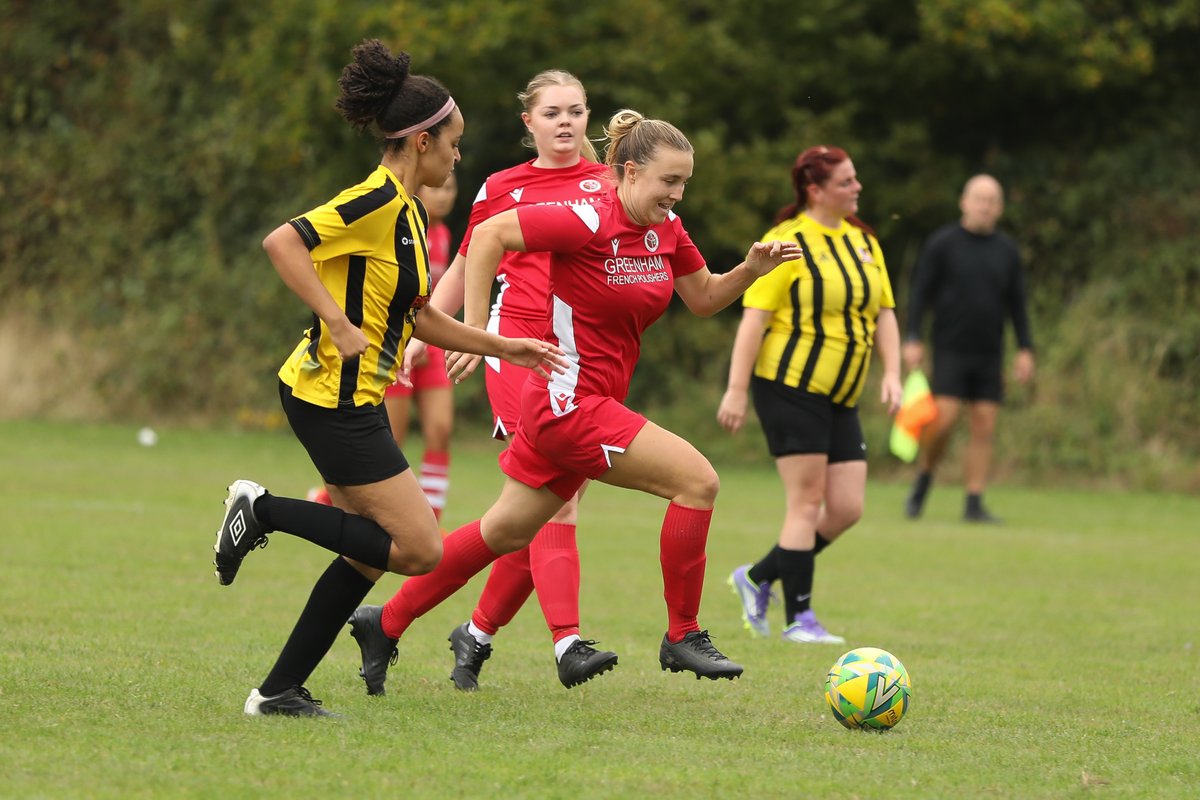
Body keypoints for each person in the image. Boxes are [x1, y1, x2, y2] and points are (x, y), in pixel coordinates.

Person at [347, 109, 804, 693]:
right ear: (631, 172)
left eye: (684, 182)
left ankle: (384, 622)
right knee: (698, 482)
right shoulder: (587, 215)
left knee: (504, 531)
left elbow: (706, 297)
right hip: (568, 405)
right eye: (669, 180)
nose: (677, 194)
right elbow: (488, 235)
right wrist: (478, 331)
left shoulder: (665, 227)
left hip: (579, 403)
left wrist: (750, 270)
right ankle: (682, 635)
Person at [210, 39, 566, 718]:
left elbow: (419, 315)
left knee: (368, 555)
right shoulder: (375, 198)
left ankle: (277, 692)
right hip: (331, 398)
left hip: (354, 398)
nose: (458, 156)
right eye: (453, 144)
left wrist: (501, 346)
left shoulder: (409, 211)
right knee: (419, 548)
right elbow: (283, 242)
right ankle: (259, 510)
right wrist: (335, 321)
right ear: (422, 142)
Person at [389, 70, 620, 692]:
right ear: (529, 122)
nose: (565, 122)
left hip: (581, 363)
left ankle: (450, 629)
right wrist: (424, 335)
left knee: (528, 516)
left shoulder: (608, 184)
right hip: (514, 354)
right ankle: (567, 642)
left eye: (575, 111)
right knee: (556, 503)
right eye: (552, 112)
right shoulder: (501, 186)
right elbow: (466, 265)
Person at [718, 145, 902, 644]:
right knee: (806, 502)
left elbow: (884, 311)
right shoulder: (787, 241)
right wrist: (736, 390)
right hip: (789, 387)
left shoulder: (864, 241)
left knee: (846, 508)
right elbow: (753, 320)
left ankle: (757, 576)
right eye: (846, 181)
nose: (857, 187)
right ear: (815, 191)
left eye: (855, 178)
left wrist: (893, 373)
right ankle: (799, 619)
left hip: (842, 395)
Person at [902, 174, 1034, 523]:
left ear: (1000, 208)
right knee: (943, 420)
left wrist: (1025, 348)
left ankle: (974, 502)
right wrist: (913, 337)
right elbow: (920, 293)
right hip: (950, 348)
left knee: (984, 426)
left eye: (992, 201)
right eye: (979, 199)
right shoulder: (942, 244)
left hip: (989, 351)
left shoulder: (1007, 251)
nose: (984, 206)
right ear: (964, 202)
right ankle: (924, 479)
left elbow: (1017, 303)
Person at [382, 174, 459, 524]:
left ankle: (432, 523)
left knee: (440, 431)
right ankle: (326, 499)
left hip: (432, 347)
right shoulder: (401, 229)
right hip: (396, 346)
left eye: (450, 189)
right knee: (391, 442)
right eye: (437, 189)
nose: (444, 196)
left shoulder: (443, 235)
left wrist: (429, 337)